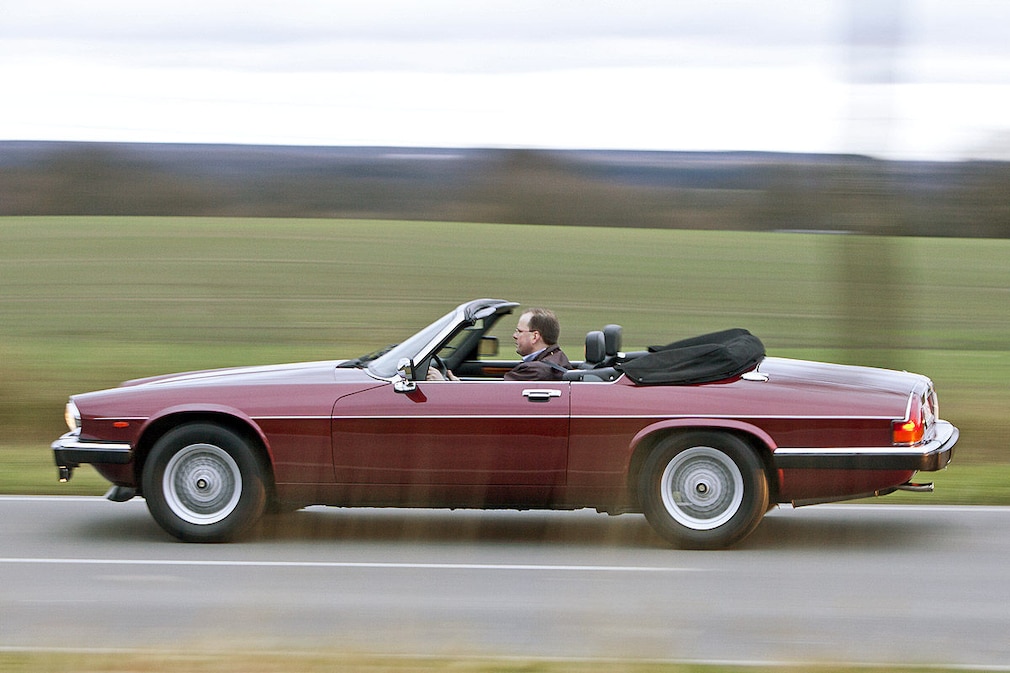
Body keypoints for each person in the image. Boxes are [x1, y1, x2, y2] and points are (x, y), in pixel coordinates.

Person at [504, 308, 572, 381]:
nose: (514, 335)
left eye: (519, 331)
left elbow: (498, 390)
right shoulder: (558, 358)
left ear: (534, 336)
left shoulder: (534, 371)